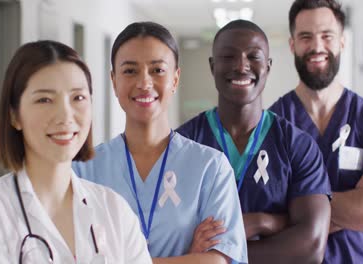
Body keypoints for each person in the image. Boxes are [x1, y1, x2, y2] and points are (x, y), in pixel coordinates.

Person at [0, 40, 151, 264]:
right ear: (14, 115)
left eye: (78, 97)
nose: (65, 115)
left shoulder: (114, 210)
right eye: (44, 100)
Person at [73, 22, 247, 264]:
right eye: (130, 71)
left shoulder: (211, 167)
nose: (144, 83)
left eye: (157, 70)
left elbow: (219, 261)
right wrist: (188, 257)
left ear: (175, 79)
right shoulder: (83, 169)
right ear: (114, 80)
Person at [177, 19, 331, 263]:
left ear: (268, 66)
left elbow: (310, 246)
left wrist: (219, 257)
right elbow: (171, 236)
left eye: (253, 56)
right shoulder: (183, 143)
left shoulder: (298, 146)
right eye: (228, 56)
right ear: (212, 65)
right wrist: (272, 223)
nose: (241, 66)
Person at [269, 0, 363, 263]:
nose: (317, 47)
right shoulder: (273, 126)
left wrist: (300, 210)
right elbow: (262, 220)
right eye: (306, 37)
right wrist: (357, 199)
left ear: (342, 41)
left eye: (327, 36)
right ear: (292, 45)